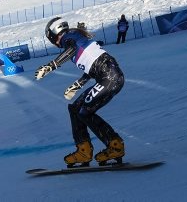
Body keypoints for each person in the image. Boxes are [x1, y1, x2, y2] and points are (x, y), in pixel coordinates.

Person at [34, 17, 126, 168]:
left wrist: (50, 66)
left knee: (85, 113)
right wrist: (77, 85)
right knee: (75, 108)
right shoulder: (75, 36)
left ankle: (115, 145)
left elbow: (71, 50)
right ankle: (83, 150)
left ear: (53, 35)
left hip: (110, 78)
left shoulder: (68, 38)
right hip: (108, 76)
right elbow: (93, 65)